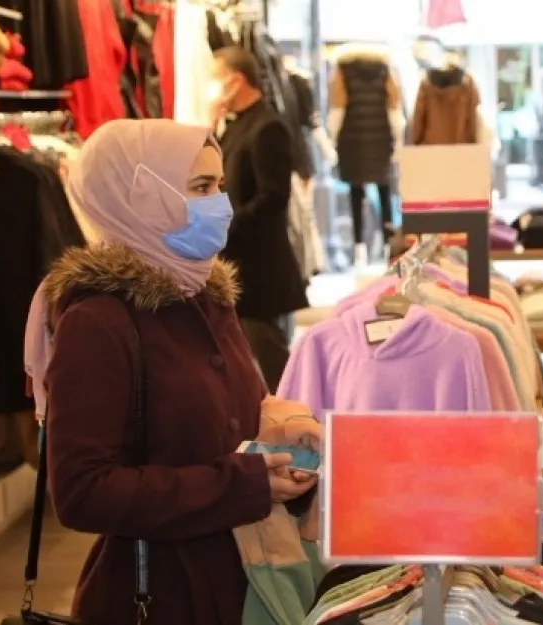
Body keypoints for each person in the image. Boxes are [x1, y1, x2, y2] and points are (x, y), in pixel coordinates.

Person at [23, 119, 317, 624]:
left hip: (247, 579)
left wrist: (283, 442)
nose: (219, 204)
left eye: (221, 186)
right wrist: (241, 486)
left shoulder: (204, 295)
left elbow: (228, 421)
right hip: (158, 598)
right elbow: (80, 493)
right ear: (137, 197)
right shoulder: (98, 322)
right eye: (201, 187)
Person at [210, 45, 309, 391]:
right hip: (238, 258)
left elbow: (272, 197)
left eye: (215, 78)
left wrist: (226, 228)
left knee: (270, 356)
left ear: (236, 81)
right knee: (247, 353)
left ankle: (295, 424)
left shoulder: (268, 127)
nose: (211, 85)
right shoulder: (235, 126)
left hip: (259, 265)